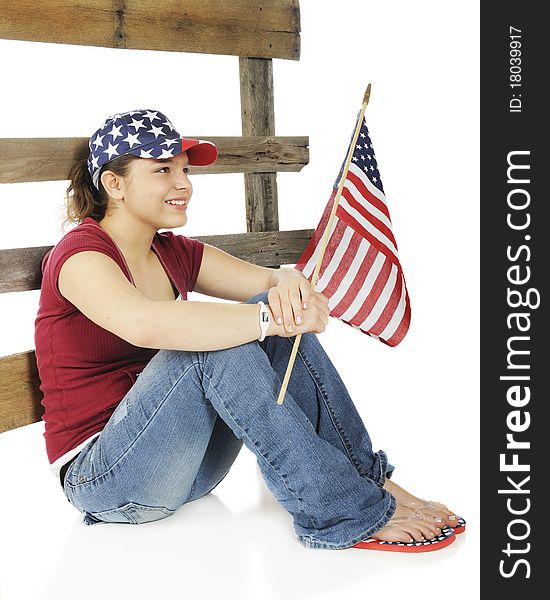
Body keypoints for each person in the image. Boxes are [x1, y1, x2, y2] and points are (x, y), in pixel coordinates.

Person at [34, 109, 463, 552]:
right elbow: (145, 324)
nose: (183, 184)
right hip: (106, 478)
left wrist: (289, 285)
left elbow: (267, 283)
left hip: (189, 467)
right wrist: (267, 319)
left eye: (183, 169)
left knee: (258, 317)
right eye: (163, 169)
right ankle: (340, 509)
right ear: (115, 184)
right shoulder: (79, 256)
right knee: (218, 342)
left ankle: (366, 481)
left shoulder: (173, 252)